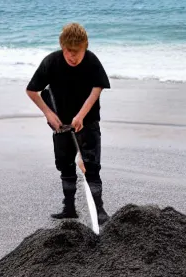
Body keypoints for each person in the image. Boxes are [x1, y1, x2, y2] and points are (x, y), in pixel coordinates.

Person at [26, 22, 110, 223]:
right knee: (65, 165)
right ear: (62, 47)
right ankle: (69, 208)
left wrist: (81, 115)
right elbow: (31, 90)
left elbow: (97, 88)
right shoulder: (51, 62)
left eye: (77, 52)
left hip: (87, 121)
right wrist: (47, 113)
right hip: (60, 125)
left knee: (91, 165)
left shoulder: (91, 61)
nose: (73, 56)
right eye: (69, 52)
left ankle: (99, 209)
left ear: (85, 47)